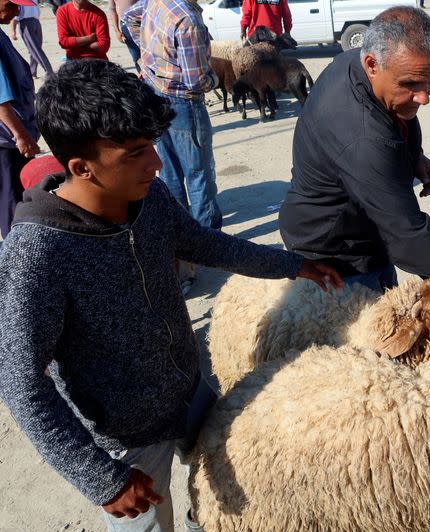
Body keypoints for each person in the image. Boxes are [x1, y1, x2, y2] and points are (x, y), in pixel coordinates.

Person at [0, 59, 342, 532]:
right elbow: (20, 382)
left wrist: (291, 264)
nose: (157, 163)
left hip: (189, 390)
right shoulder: (36, 255)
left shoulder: (149, 199)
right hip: (127, 437)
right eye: (136, 152)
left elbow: (206, 245)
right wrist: (102, 479)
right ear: (81, 167)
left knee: (226, 499)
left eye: (152, 147)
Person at [279, 6, 430, 307]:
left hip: (364, 228)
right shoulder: (363, 137)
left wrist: (413, 157)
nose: (424, 96)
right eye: (411, 84)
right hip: (336, 255)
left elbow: (397, 116)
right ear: (372, 64)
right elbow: (408, 239)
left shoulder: (355, 65)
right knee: (372, 342)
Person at [125, 0, 222, 232]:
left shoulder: (158, 1)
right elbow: (196, 80)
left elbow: (128, 18)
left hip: (155, 92)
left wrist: (149, 60)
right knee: (199, 172)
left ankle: (177, 233)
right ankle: (206, 239)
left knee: (169, 167)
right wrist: (216, 80)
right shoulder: (188, 21)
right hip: (183, 103)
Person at [0, 0, 39, 239]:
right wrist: (21, 136)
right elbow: (1, 100)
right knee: (11, 198)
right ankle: (15, 253)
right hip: (7, 139)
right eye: (12, 5)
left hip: (11, 135)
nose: (17, 12)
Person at [10, 2, 53, 78]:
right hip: (31, 22)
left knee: (35, 49)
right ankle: (39, 71)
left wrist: (13, 31)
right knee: (35, 49)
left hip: (31, 22)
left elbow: (16, 14)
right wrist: (13, 30)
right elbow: (17, 14)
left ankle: (43, 71)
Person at [108, 0, 140, 71]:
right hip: (125, 24)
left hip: (142, 22)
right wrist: (117, 31)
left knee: (149, 56)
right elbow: (112, 9)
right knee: (136, 57)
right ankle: (143, 78)